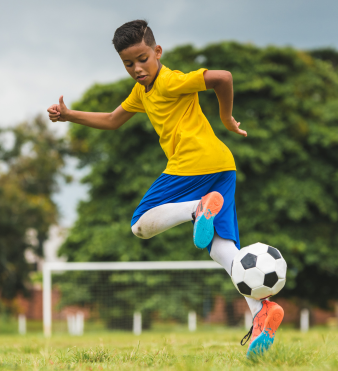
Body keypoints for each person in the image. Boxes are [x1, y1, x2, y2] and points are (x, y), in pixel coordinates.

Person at [47, 19, 283, 357]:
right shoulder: (142, 92)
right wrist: (69, 115)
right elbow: (113, 120)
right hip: (222, 167)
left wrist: (227, 118)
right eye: (128, 63)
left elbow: (223, 78)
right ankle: (263, 312)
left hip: (192, 167)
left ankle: (196, 209)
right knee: (222, 248)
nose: (137, 68)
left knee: (140, 224)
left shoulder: (171, 80)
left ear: (158, 52)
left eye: (143, 58)